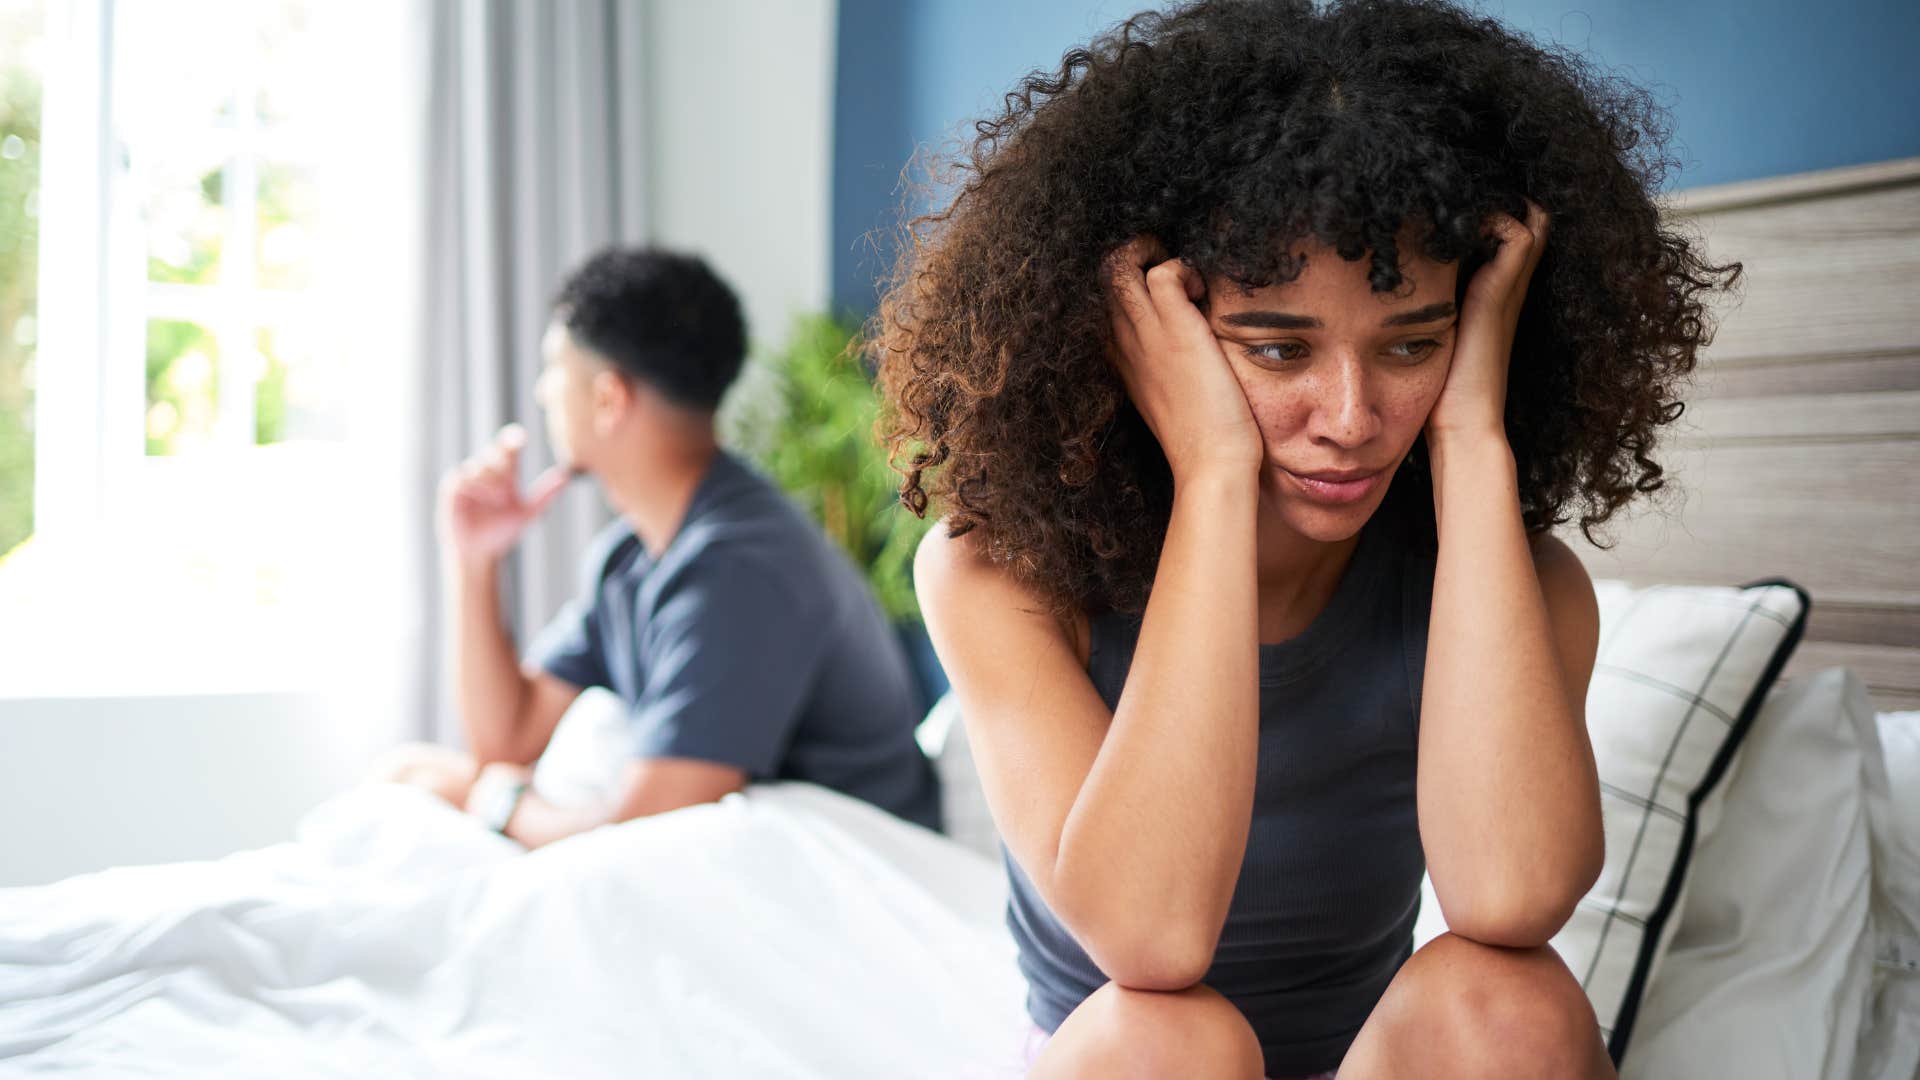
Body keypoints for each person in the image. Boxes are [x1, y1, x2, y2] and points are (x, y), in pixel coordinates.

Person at [873, 1, 1737, 1077]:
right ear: (1147, 341)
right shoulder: (997, 576)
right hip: (1130, 1062)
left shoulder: (1511, 585)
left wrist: (1472, 438)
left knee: (1508, 1000)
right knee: (1172, 1034)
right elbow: (1149, 945)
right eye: (1278, 351)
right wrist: (1216, 475)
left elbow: (1509, 898)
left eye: (1413, 343)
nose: (1351, 416)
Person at [375, 247, 942, 847]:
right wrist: (472, 562)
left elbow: (644, 833)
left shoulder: (740, 566)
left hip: (856, 873)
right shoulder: (631, 557)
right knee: (411, 771)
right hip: (750, 856)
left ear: (607, 399)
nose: (543, 394)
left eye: (554, 371)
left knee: (420, 778)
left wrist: (498, 804)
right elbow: (507, 740)